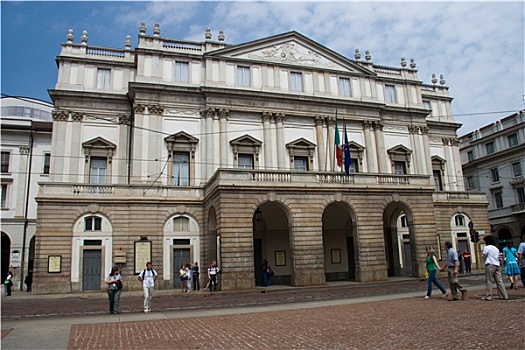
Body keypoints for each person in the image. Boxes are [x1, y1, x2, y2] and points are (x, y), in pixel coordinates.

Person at [481, 235, 508, 301]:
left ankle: (489, 296)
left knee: (488, 281)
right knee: (499, 281)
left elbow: (483, 257)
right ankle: (504, 295)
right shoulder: (496, 248)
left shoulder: (487, 247)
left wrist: (482, 254)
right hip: (497, 264)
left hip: (490, 264)